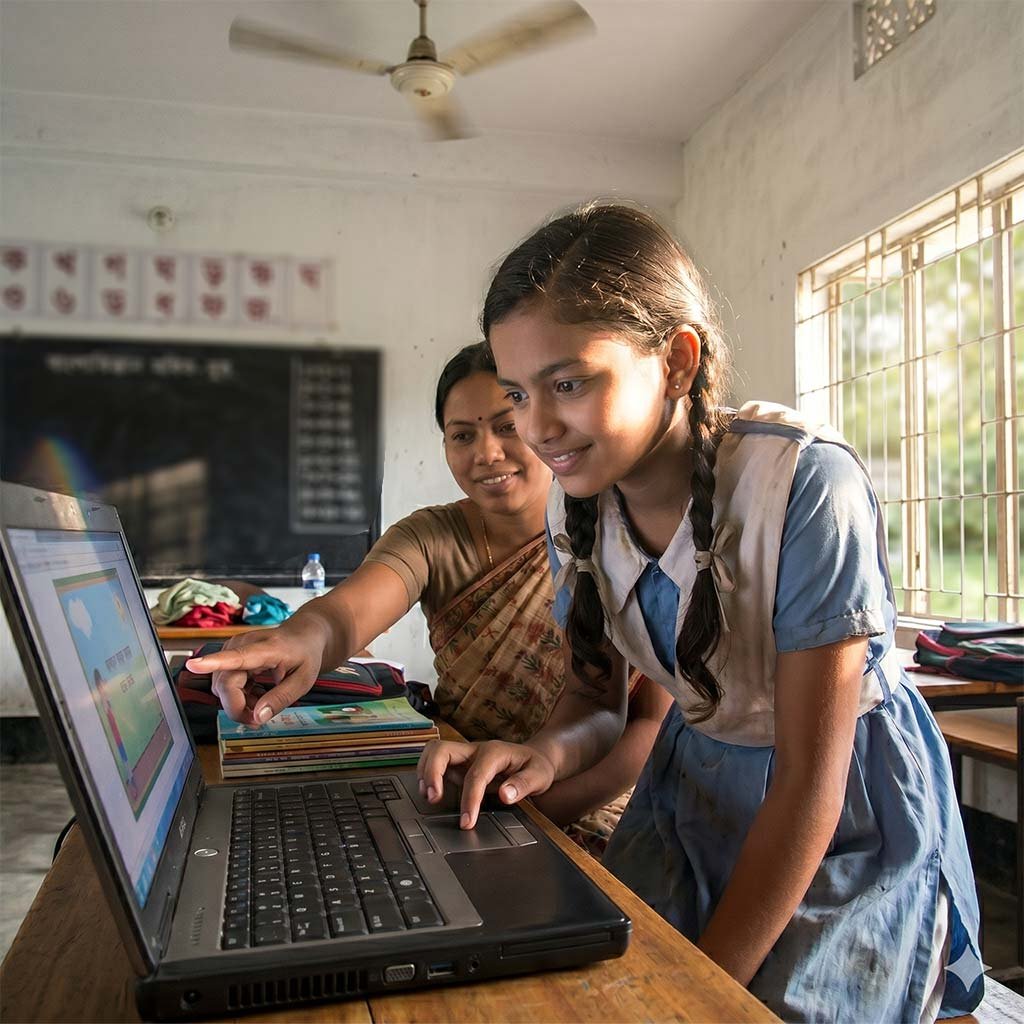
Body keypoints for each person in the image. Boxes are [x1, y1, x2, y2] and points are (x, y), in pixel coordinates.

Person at [417, 204, 984, 1022]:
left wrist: (704, 994)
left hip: (838, 799)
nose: (537, 429)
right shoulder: (576, 507)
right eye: (517, 393)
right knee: (614, 992)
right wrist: (543, 755)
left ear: (677, 362)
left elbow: (807, 788)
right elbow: (595, 706)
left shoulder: (804, 486)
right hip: (694, 782)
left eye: (568, 383)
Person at [187, 342, 670, 842]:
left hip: (586, 801)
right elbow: (345, 614)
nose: (486, 453)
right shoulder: (431, 537)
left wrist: (527, 813)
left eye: (506, 426)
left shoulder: (622, 538)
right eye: (462, 435)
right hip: (456, 779)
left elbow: (646, 726)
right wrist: (298, 640)